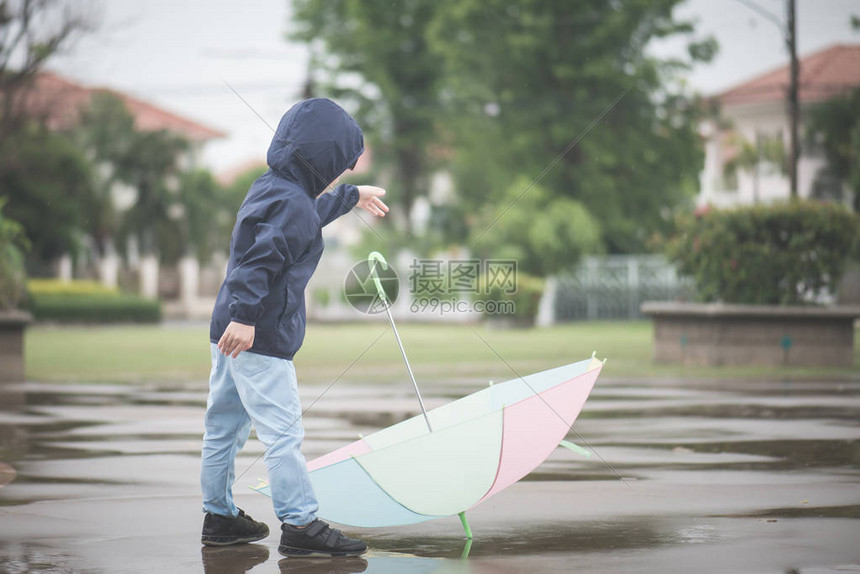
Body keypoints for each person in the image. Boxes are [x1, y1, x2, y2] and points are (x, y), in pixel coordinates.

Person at [200, 98, 388, 557]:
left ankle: (219, 516)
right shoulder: (295, 207)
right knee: (283, 434)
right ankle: (301, 524)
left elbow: (303, 217)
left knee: (223, 426)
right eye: (340, 167)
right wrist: (247, 320)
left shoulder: (271, 188)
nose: (340, 174)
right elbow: (259, 263)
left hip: (227, 330)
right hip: (257, 337)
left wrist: (353, 195)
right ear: (324, 160)